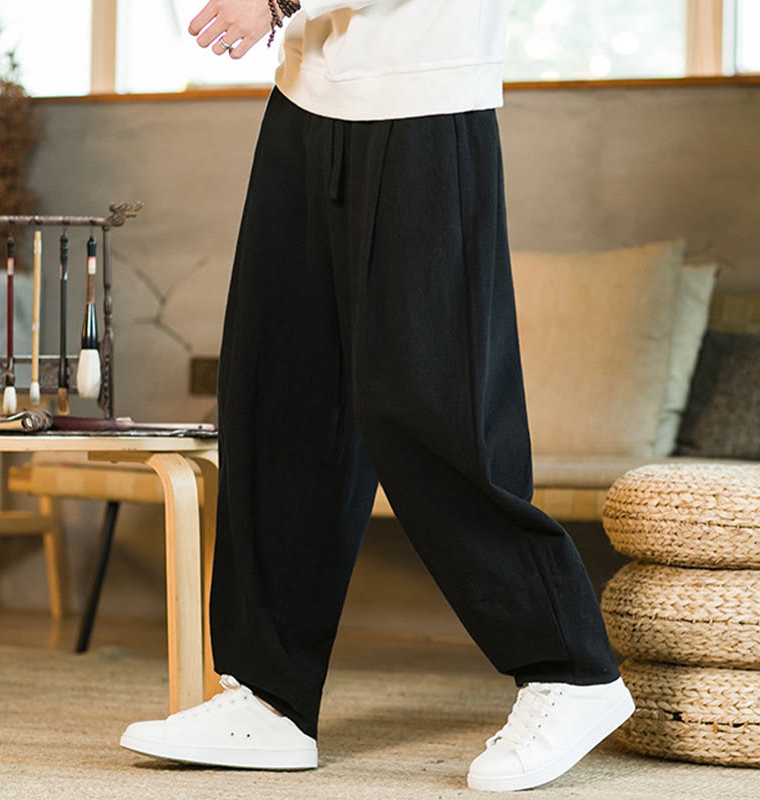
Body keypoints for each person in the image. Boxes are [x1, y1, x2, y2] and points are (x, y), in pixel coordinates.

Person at [119, 0, 635, 791]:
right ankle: (270, 697)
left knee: (431, 406)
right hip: (306, 95)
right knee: (280, 395)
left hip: (424, 96)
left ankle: (573, 670)